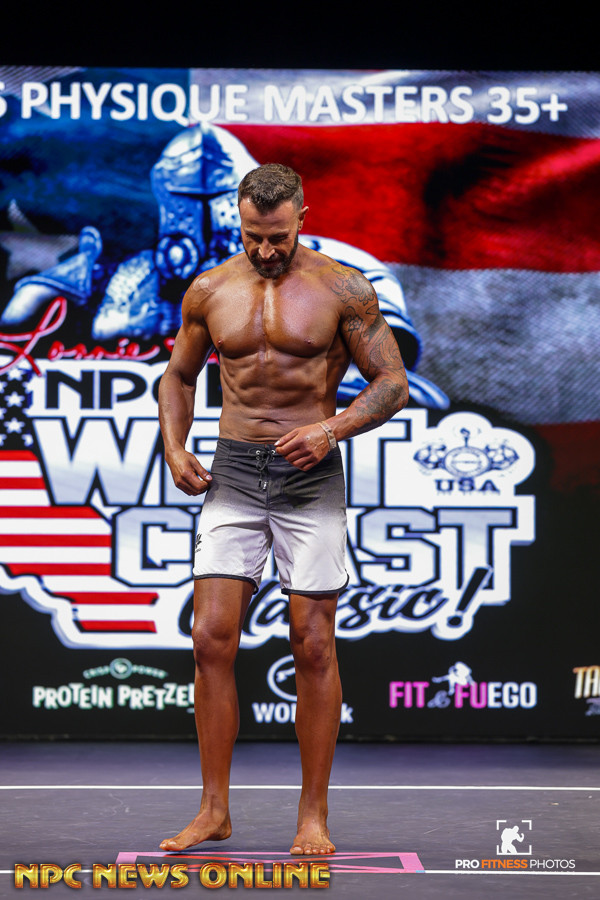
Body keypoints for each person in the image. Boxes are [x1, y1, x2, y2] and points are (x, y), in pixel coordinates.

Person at [158, 163, 409, 856]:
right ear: (238, 223)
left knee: (313, 643)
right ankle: (213, 811)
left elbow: (392, 382)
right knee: (210, 638)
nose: (265, 250)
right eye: (252, 236)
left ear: (301, 216)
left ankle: (313, 817)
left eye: (276, 236)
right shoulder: (210, 289)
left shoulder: (342, 288)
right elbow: (178, 376)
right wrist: (174, 446)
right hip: (235, 471)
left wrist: (332, 428)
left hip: (310, 475)